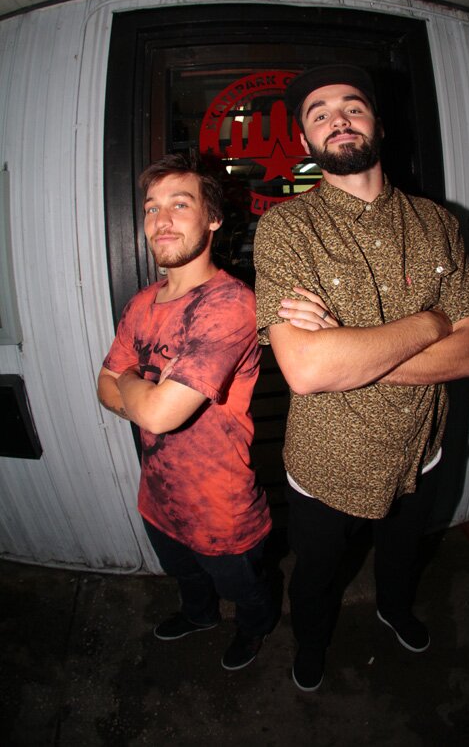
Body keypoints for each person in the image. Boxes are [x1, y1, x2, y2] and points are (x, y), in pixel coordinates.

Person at [253, 64, 469, 691]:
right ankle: (311, 643)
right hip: (328, 465)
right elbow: (306, 370)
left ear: (377, 123)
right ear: (305, 139)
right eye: (320, 114)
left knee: (404, 557)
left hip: (421, 452)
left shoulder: (439, 223)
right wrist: (433, 321)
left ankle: (394, 609)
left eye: (352, 106)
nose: (338, 119)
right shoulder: (285, 230)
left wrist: (348, 352)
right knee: (315, 576)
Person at [97, 153, 274, 672]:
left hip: (221, 509)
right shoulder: (141, 303)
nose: (161, 220)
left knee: (245, 591)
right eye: (151, 208)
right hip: (157, 497)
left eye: (180, 204)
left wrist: (132, 382)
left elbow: (155, 413)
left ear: (213, 218)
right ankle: (199, 617)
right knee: (186, 577)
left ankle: (254, 630)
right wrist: (141, 392)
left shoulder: (230, 304)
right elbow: (103, 388)